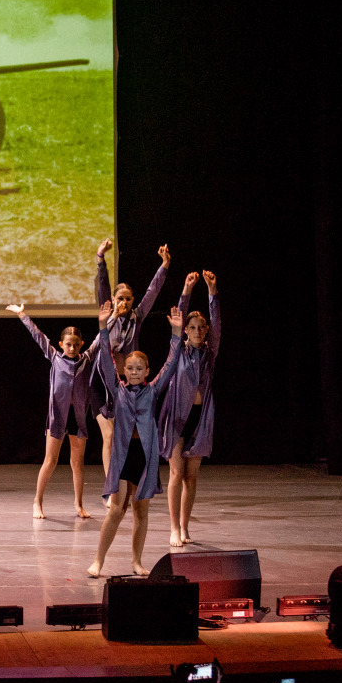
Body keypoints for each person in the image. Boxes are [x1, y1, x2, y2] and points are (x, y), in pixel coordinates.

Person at [87, 303, 184, 577]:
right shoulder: (118, 391)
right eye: (130, 368)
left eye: (139, 368)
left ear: (147, 371)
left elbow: (171, 363)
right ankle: (98, 560)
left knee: (141, 511)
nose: (133, 372)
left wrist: (176, 333)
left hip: (145, 455)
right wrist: (103, 328)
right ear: (125, 371)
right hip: (123, 455)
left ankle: (136, 561)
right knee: (116, 509)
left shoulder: (152, 391)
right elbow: (106, 361)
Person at [88, 239, 171, 500]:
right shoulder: (107, 314)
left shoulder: (137, 317)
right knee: (109, 435)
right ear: (113, 300)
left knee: (121, 435)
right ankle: (112, 489)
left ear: (132, 300)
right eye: (119, 298)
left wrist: (164, 266)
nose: (123, 303)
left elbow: (152, 293)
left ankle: (125, 481)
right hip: (101, 384)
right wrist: (101, 258)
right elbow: (102, 286)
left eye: (127, 299)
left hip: (126, 384)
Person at [8, 303, 100, 520]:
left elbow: (101, 338)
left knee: (77, 463)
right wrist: (22, 314)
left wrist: (113, 315)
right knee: (50, 460)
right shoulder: (55, 357)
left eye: (76, 344)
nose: (72, 348)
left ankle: (78, 504)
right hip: (58, 417)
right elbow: (39, 336)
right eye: (68, 344)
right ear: (61, 344)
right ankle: (37, 501)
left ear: (81, 344)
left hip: (77, 417)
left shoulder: (86, 360)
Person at [162, 270, 220, 548]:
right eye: (192, 327)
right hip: (176, 418)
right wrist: (186, 289)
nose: (198, 331)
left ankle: (185, 526)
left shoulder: (209, 353)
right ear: (185, 330)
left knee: (191, 476)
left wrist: (212, 292)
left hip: (200, 419)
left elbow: (218, 324)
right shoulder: (178, 350)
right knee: (175, 473)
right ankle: (173, 528)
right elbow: (179, 316)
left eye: (202, 327)